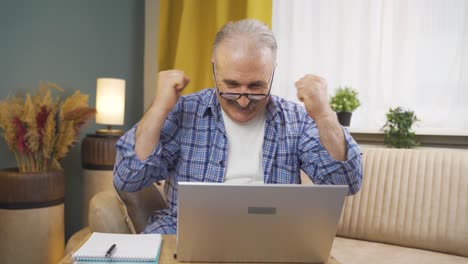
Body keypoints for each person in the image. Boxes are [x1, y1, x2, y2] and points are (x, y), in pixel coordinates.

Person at [114, 19, 362, 234]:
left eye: (256, 86)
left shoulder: (295, 120)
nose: (243, 100)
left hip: (271, 236)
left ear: (272, 73)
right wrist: (159, 108)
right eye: (231, 85)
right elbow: (128, 178)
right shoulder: (185, 112)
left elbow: (346, 182)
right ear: (214, 68)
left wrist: (324, 113)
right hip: (184, 229)